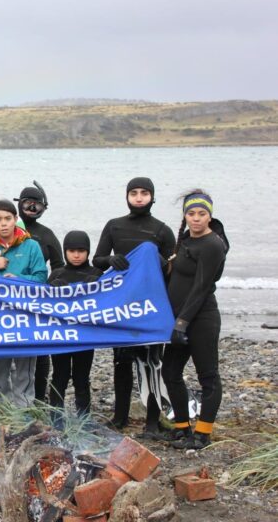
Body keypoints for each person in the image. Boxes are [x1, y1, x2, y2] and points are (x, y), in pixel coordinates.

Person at [93, 177, 176, 436]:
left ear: (152, 196)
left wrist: (160, 261)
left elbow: (173, 271)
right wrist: (111, 259)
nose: (139, 197)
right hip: (122, 305)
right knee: (121, 362)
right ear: (127, 196)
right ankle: (120, 417)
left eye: (144, 193)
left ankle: (153, 421)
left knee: (152, 364)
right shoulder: (114, 226)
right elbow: (96, 261)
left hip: (150, 307)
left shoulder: (162, 230)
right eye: (134, 193)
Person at [162, 191, 229, 450]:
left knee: (208, 376)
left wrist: (182, 323)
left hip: (201, 318)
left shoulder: (213, 245)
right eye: (191, 214)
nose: (196, 219)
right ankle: (181, 429)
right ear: (185, 215)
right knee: (170, 372)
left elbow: (201, 288)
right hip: (180, 318)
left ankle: (202, 433)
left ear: (210, 216)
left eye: (202, 214)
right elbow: (176, 277)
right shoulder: (186, 240)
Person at [0, 200, 48, 407]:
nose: (4, 224)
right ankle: (0, 409)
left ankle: (24, 410)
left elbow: (41, 277)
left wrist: (18, 279)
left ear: (16, 219)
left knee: (25, 368)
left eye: (8, 218)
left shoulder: (31, 246)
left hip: (25, 315)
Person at [15, 183, 64, 403]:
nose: (31, 208)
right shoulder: (8, 228)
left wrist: (46, 285)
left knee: (41, 348)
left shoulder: (46, 234)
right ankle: (12, 396)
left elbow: (59, 266)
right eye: (27, 203)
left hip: (36, 298)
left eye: (36, 205)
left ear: (44, 207)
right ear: (19, 204)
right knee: (11, 347)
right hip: (8, 297)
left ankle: (38, 397)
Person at [47, 231, 103, 422]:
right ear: (65, 252)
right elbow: (42, 305)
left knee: (81, 378)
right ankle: (56, 417)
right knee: (59, 376)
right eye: (71, 250)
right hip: (61, 337)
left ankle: (84, 418)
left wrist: (99, 285)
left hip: (86, 337)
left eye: (81, 250)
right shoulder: (57, 273)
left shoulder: (96, 273)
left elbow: (110, 300)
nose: (76, 255)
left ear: (88, 251)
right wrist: (51, 287)